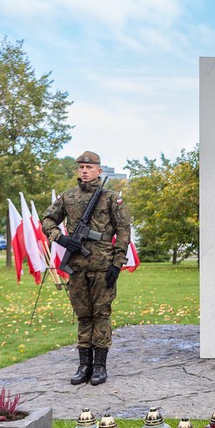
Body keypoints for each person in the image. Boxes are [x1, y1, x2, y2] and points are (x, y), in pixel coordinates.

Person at [42, 151, 131, 386]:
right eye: (81, 167)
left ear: (99, 171)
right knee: (83, 315)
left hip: (103, 266)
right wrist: (59, 238)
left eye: (89, 167)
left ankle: (100, 366)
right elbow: (47, 220)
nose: (84, 170)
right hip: (77, 267)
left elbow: (123, 231)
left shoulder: (110, 198)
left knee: (101, 314)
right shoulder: (67, 197)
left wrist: (117, 263)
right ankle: (84, 365)